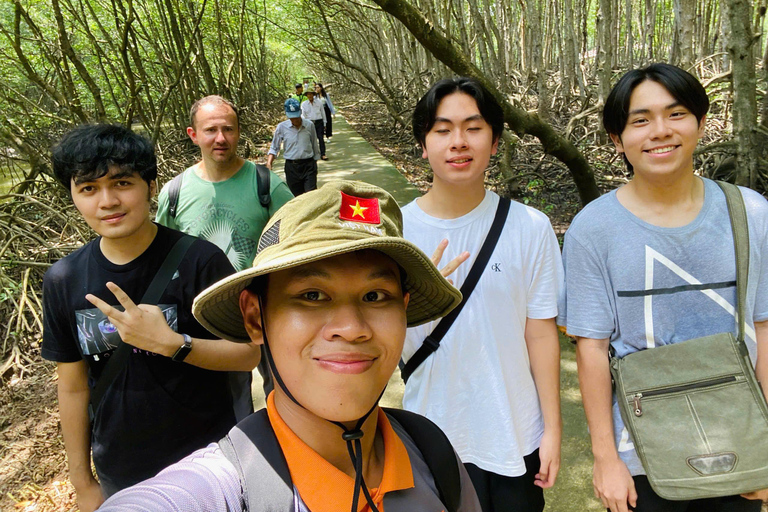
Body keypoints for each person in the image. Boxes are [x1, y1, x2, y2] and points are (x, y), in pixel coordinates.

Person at [98, 180, 483, 512]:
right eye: (313, 295)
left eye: (375, 295)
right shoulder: (218, 489)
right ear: (254, 318)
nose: (351, 328)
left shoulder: (432, 454)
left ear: (404, 311)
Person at [559, 63, 768, 512]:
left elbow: (765, 328)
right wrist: (604, 458)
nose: (660, 131)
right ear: (617, 139)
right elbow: (591, 348)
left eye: (675, 114)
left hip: (740, 440)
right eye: (640, 120)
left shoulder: (750, 213)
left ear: (700, 123)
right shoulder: (593, 229)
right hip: (640, 456)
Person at [41, 124, 262, 511]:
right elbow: (73, 387)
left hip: (210, 461)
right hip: (120, 468)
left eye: (122, 183)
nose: (107, 201)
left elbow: (249, 354)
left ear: (151, 185)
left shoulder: (200, 260)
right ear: (74, 197)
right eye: (88, 189)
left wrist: (173, 344)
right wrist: (82, 481)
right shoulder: (64, 279)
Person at [400, 77, 563, 512]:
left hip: (516, 437)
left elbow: (542, 334)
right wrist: (414, 298)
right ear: (423, 143)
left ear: (494, 143)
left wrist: (554, 430)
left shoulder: (530, 227)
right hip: (430, 435)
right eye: (442, 129)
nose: (458, 142)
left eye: (473, 128)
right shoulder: (394, 234)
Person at [156, 95, 293, 410]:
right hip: (206, 316)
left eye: (228, 129)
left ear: (239, 132)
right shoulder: (174, 193)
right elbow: (163, 258)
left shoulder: (266, 185)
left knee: (283, 392)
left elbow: (296, 241)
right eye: (211, 130)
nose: (221, 138)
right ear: (193, 135)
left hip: (264, 309)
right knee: (229, 403)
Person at [267, 98, 321, 197]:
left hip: (308, 165)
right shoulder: (282, 127)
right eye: (291, 118)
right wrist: (269, 163)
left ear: (300, 113)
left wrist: (315, 163)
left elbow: (314, 144)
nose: (294, 120)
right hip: (292, 167)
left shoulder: (309, 125)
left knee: (311, 196)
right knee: (296, 198)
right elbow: (274, 147)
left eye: (296, 117)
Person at [301, 89, 328, 160]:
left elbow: (323, 113)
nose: (310, 95)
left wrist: (325, 123)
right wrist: (304, 124)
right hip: (309, 123)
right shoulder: (304, 104)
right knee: (310, 139)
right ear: (306, 95)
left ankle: (323, 154)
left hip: (319, 122)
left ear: (313, 95)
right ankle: (312, 154)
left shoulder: (319, 103)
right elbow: (303, 115)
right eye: (308, 94)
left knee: (321, 138)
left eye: (311, 94)